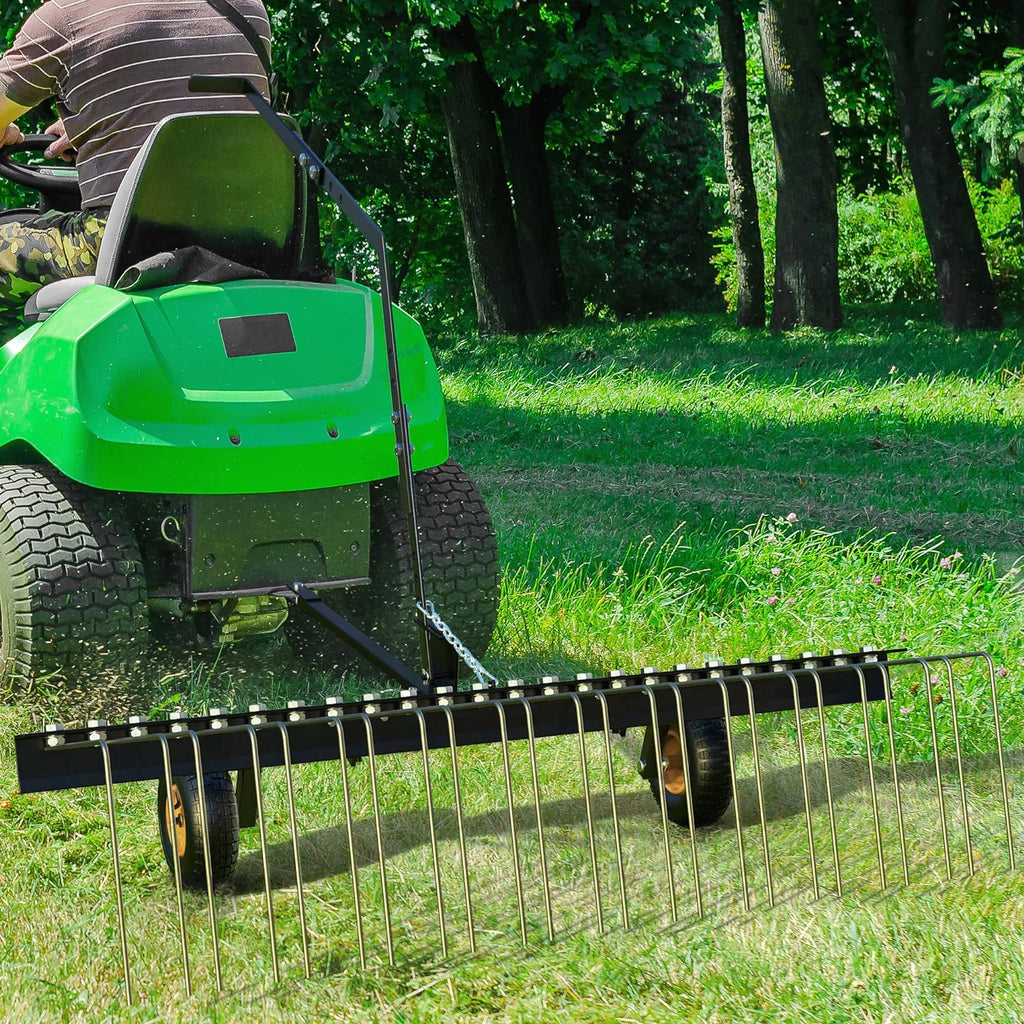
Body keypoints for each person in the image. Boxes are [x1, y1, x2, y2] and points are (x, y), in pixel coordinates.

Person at [0, 0, 271, 308]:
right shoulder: (248, 9)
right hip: (253, 238)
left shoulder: (65, 17)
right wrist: (98, 117)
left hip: (126, 245)